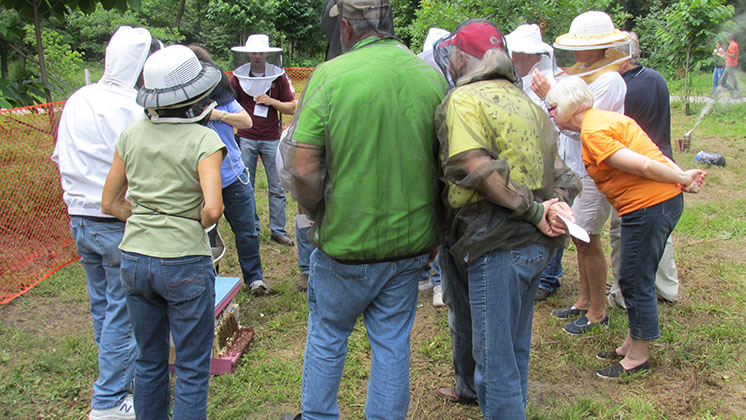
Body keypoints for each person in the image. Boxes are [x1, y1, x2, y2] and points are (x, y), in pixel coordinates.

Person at [279, 0, 448, 418]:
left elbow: (303, 169)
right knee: (392, 343)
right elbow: (447, 167)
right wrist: (436, 233)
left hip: (344, 243)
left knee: (328, 336)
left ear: (347, 32)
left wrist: (316, 214)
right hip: (409, 243)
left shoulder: (330, 75)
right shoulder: (430, 76)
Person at [432, 19, 581, 419]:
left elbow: (475, 166)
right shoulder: (527, 103)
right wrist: (556, 206)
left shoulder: (465, 101)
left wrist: (536, 210)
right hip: (535, 247)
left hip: (496, 245)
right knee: (515, 349)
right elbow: (562, 173)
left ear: (460, 57)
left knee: (495, 362)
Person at [545, 76, 705, 378]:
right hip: (653, 204)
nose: (550, 114)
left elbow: (641, 164)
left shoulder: (594, 131)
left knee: (634, 280)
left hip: (648, 208)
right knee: (631, 275)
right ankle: (630, 344)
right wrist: (679, 176)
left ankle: (638, 357)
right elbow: (650, 152)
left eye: (552, 107)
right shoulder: (603, 121)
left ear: (569, 105)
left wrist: (681, 178)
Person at [101, 45, 226, 419]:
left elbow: (109, 203)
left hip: (135, 258)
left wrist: (143, 217)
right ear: (196, 92)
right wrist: (189, 224)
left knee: (149, 359)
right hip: (184, 259)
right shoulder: (204, 141)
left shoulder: (131, 135)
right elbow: (213, 208)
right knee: (190, 365)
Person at [51, 26, 159, 420]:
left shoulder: (78, 99)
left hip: (78, 218)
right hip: (114, 219)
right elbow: (144, 166)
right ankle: (110, 400)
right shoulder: (129, 108)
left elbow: (60, 156)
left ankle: (114, 375)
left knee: (103, 305)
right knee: (123, 312)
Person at [531, 11, 629, 334]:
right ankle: (584, 300)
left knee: (589, 238)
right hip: (576, 167)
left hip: (594, 169)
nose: (575, 52)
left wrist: (549, 95)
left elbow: (579, 125)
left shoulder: (610, 80)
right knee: (579, 237)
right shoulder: (584, 74)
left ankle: (598, 310)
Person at [188, 44, 267, 294]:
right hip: (198, 183)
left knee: (247, 231)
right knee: (204, 235)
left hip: (233, 177)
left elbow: (246, 121)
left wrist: (217, 115)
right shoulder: (177, 104)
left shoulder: (222, 97)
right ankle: (210, 284)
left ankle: (254, 279)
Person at [609, 32, 679, 308]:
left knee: (625, 231)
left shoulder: (624, 88)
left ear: (621, 56)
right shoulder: (656, 78)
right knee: (660, 232)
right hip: (663, 160)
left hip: (636, 168)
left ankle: (622, 293)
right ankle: (666, 287)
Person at [505, 23, 565, 302]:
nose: (515, 58)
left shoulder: (548, 81)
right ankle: (539, 270)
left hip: (553, 159)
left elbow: (559, 118)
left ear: (532, 55)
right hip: (529, 159)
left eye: (520, 53)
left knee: (555, 209)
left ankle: (549, 276)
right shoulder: (518, 78)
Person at [230, 34, 298, 246]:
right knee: (246, 187)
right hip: (246, 138)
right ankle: (251, 229)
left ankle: (278, 230)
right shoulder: (238, 78)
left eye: (261, 52)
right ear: (248, 54)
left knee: (277, 186)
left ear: (267, 53)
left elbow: (292, 107)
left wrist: (271, 101)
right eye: (254, 52)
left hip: (271, 139)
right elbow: (229, 104)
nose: (257, 56)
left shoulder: (278, 77)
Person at [719, 34, 740, 98]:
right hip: (730, 63)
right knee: (725, 80)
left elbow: (733, 55)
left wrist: (724, 52)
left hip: (730, 64)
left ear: (729, 39)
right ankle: (736, 93)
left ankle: (736, 93)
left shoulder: (732, 45)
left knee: (725, 80)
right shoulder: (735, 44)